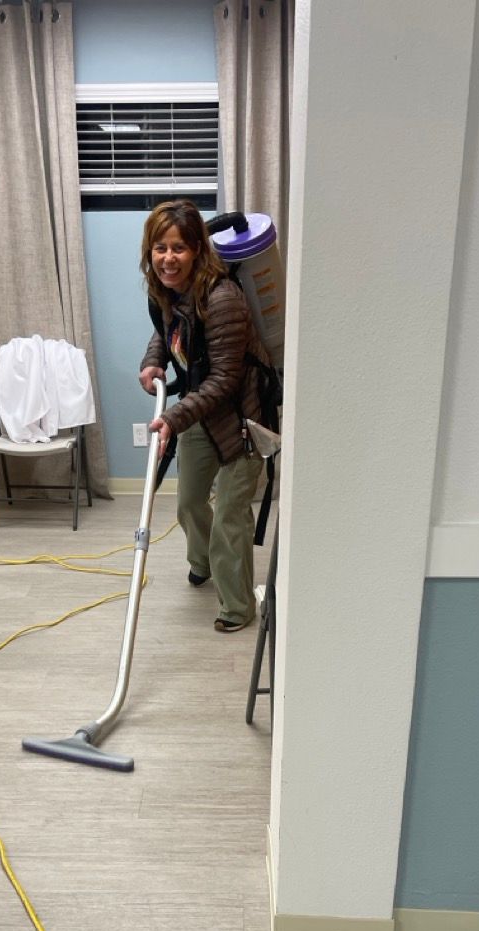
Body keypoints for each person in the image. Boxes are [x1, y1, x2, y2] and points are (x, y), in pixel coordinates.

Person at [139, 199, 268, 633]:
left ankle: (237, 606)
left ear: (197, 249)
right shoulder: (170, 294)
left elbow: (227, 377)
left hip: (242, 420)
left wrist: (174, 417)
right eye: (160, 248)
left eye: (178, 248)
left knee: (230, 517)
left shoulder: (223, 297)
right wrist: (153, 360)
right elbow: (166, 331)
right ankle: (203, 564)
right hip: (200, 412)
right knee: (191, 503)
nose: (168, 258)